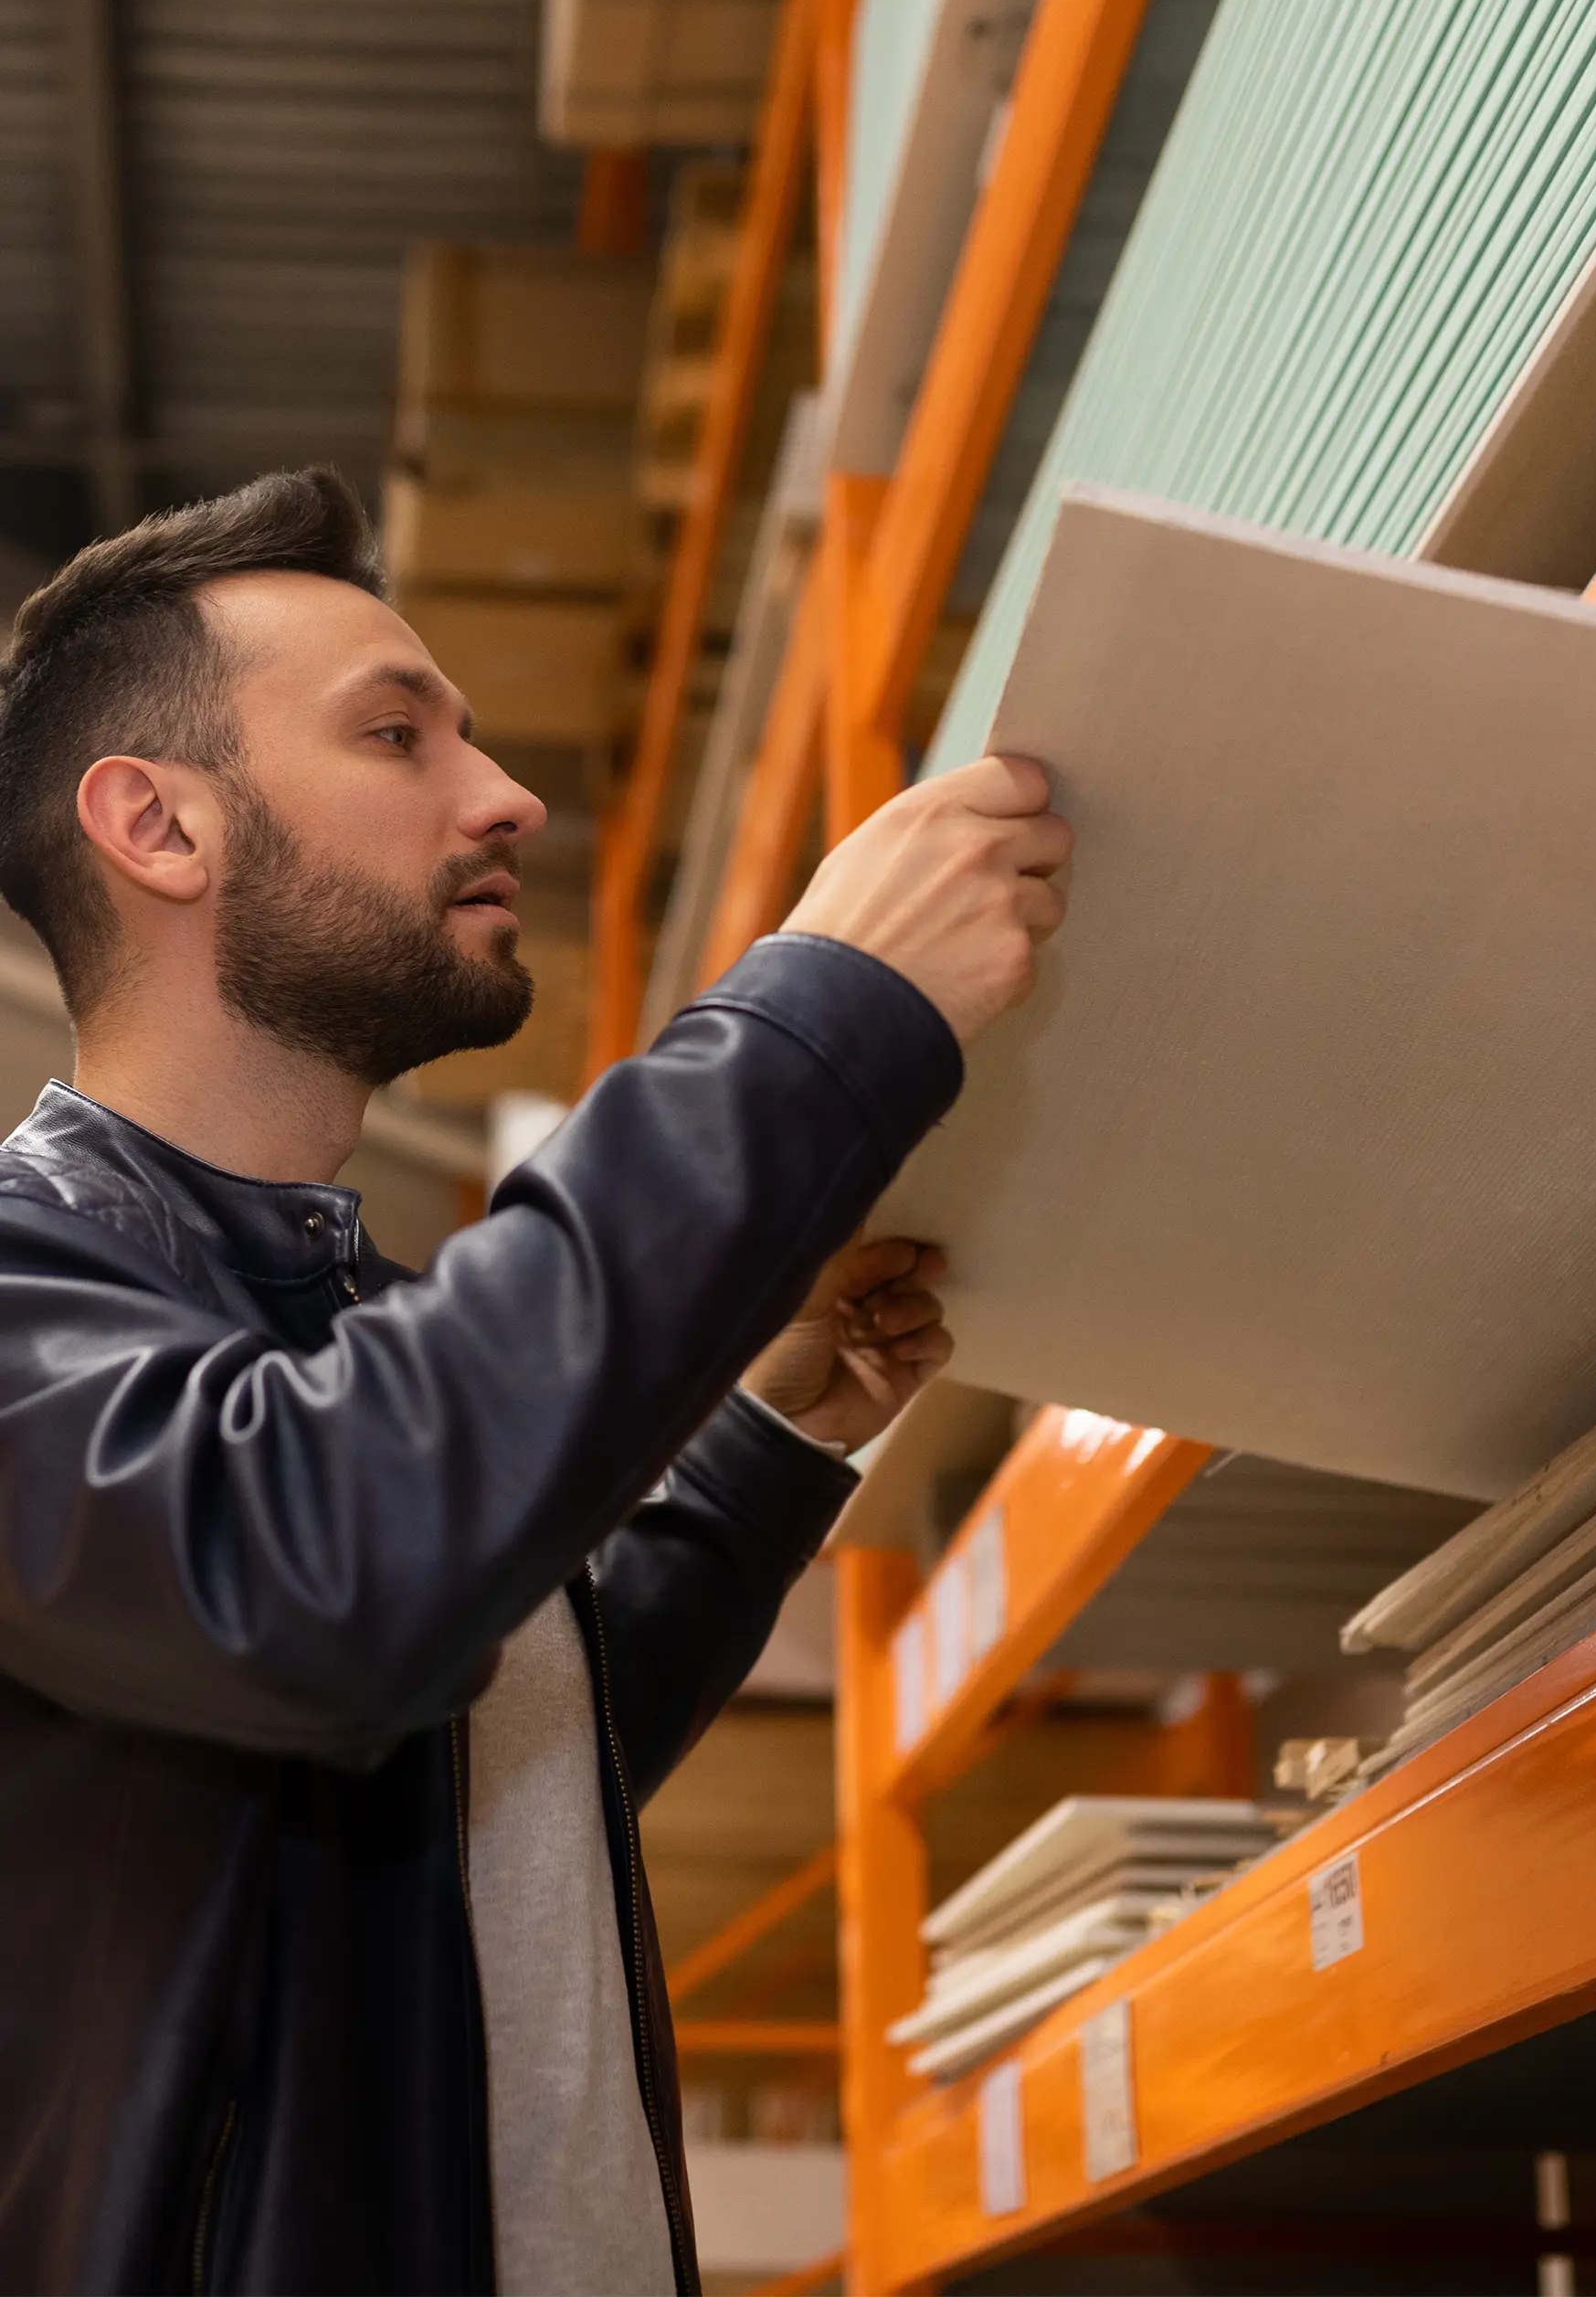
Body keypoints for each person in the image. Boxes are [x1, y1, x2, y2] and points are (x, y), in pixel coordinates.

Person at [0, 467, 1070, 2294]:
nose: (506, 798)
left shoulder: (357, 1334)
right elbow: (319, 1586)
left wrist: (755, 1450)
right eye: (397, 733)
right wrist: (811, 1022)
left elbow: (481, 1778)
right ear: (157, 825)